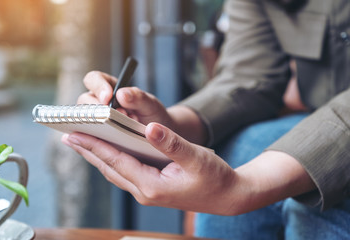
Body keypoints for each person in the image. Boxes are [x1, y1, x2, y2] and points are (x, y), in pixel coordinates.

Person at [61, 0, 350, 239]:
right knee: (240, 151)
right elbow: (249, 76)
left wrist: (247, 187)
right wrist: (168, 123)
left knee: (321, 202)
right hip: (322, 117)